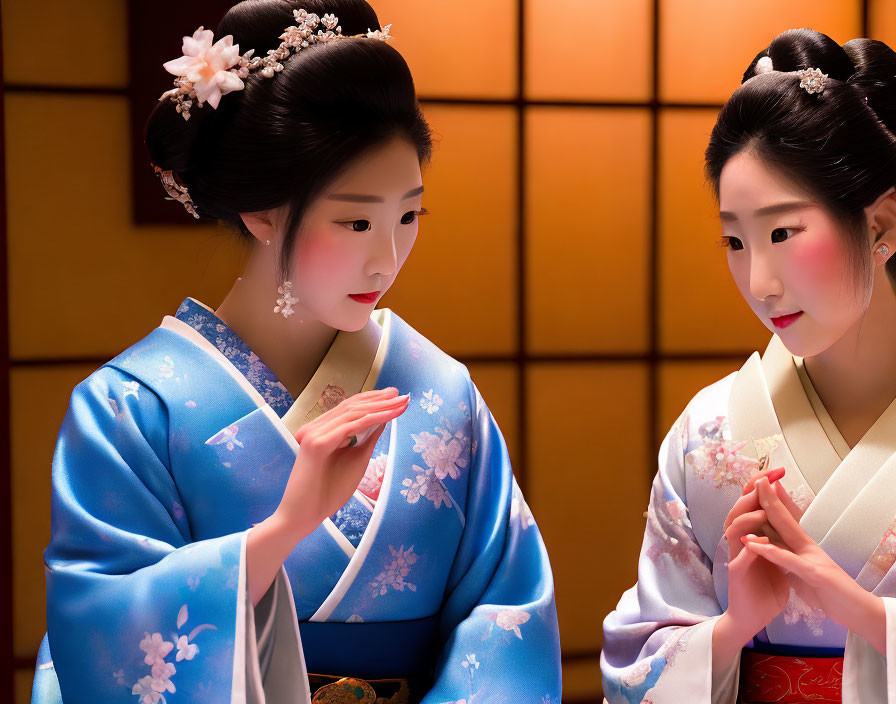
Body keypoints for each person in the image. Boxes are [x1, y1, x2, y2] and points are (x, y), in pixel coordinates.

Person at [29, 2, 561, 702]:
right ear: (263, 212)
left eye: (409, 216)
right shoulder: (132, 407)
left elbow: (507, 613)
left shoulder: (442, 391)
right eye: (356, 220)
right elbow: (101, 630)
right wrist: (282, 531)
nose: (387, 258)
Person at [601, 28, 896, 703]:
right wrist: (732, 628)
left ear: (882, 223)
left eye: (783, 232)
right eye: (736, 239)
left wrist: (869, 617)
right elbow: (635, 663)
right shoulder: (709, 434)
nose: (758, 282)